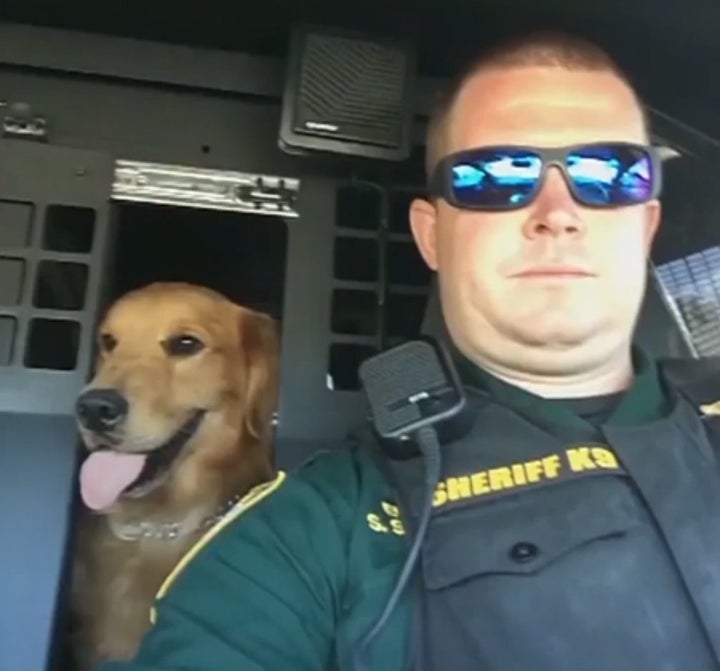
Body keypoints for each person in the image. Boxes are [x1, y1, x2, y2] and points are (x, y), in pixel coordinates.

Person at [99, 31, 720, 671]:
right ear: (432, 235)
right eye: (497, 176)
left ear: (645, 223)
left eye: (608, 173)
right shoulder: (312, 536)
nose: (557, 212)